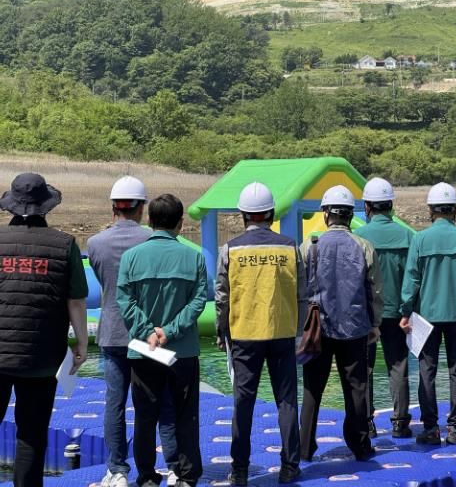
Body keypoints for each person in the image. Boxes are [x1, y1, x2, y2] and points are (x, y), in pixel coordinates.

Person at [87, 177, 179, 487]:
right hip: (148, 335)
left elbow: (106, 284)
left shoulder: (95, 243)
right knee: (159, 403)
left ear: (113, 207)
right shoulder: (153, 241)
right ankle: (172, 465)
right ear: (142, 208)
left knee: (114, 404)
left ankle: (117, 470)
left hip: (112, 332)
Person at [0, 173, 88, 487]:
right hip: (42, 356)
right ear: (46, 206)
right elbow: (76, 301)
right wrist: (82, 344)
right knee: (32, 435)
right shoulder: (65, 244)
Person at [215, 182, 306, 486]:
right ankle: (290, 466)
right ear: (271, 213)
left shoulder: (230, 249)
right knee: (286, 401)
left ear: (243, 215)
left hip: (244, 334)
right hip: (282, 332)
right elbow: (302, 294)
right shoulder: (290, 247)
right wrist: (299, 332)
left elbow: (222, 297)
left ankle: (240, 470)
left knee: (243, 403)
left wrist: (222, 331)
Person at [117, 194, 207, 487]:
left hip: (144, 351)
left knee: (145, 417)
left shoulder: (131, 257)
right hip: (183, 351)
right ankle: (187, 475)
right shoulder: (194, 257)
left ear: (149, 220)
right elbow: (198, 301)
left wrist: (147, 331)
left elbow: (124, 300)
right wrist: (171, 330)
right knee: (185, 415)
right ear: (180, 223)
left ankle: (146, 475)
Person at [299, 185, 383, 462]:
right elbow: (374, 291)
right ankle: (360, 446)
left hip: (317, 329)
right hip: (354, 327)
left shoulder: (309, 246)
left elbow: (299, 290)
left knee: (312, 389)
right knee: (356, 388)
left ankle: (304, 447)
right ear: (350, 215)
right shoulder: (364, 246)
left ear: (325, 214)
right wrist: (375, 324)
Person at [400, 182, 456, 446]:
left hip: (426, 317)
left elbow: (412, 279)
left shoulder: (420, 239)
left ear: (431, 210)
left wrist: (405, 311)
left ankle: (430, 428)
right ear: (455, 210)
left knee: (427, 371)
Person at [354, 177, 414, 439]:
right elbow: (413, 278)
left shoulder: (359, 237)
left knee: (364, 368)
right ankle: (400, 422)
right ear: (391, 205)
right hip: (398, 313)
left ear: (367, 207)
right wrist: (408, 310)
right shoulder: (408, 236)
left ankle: (367, 423)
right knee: (398, 366)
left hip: (367, 314)